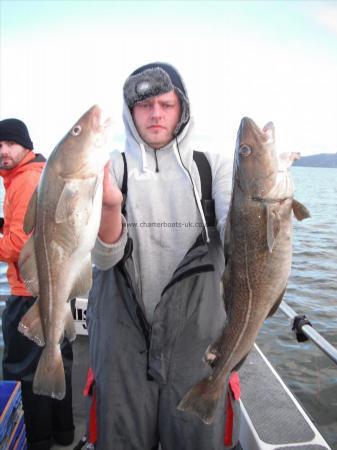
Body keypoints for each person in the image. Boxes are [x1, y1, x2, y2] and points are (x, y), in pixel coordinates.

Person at [86, 62, 241, 449]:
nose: (155, 114)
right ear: (130, 111)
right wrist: (108, 209)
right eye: (145, 105)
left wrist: (267, 209)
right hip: (121, 343)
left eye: (166, 104)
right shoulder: (108, 169)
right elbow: (104, 261)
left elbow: (239, 239)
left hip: (197, 343)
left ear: (182, 110)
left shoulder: (214, 168)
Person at [0, 118, 75, 450]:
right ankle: (63, 432)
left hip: (27, 292)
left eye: (10, 144)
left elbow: (17, 245)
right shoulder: (32, 175)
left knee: (23, 372)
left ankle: (38, 441)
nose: (3, 151)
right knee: (55, 360)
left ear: (26, 146)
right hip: (50, 289)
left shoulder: (25, 179)